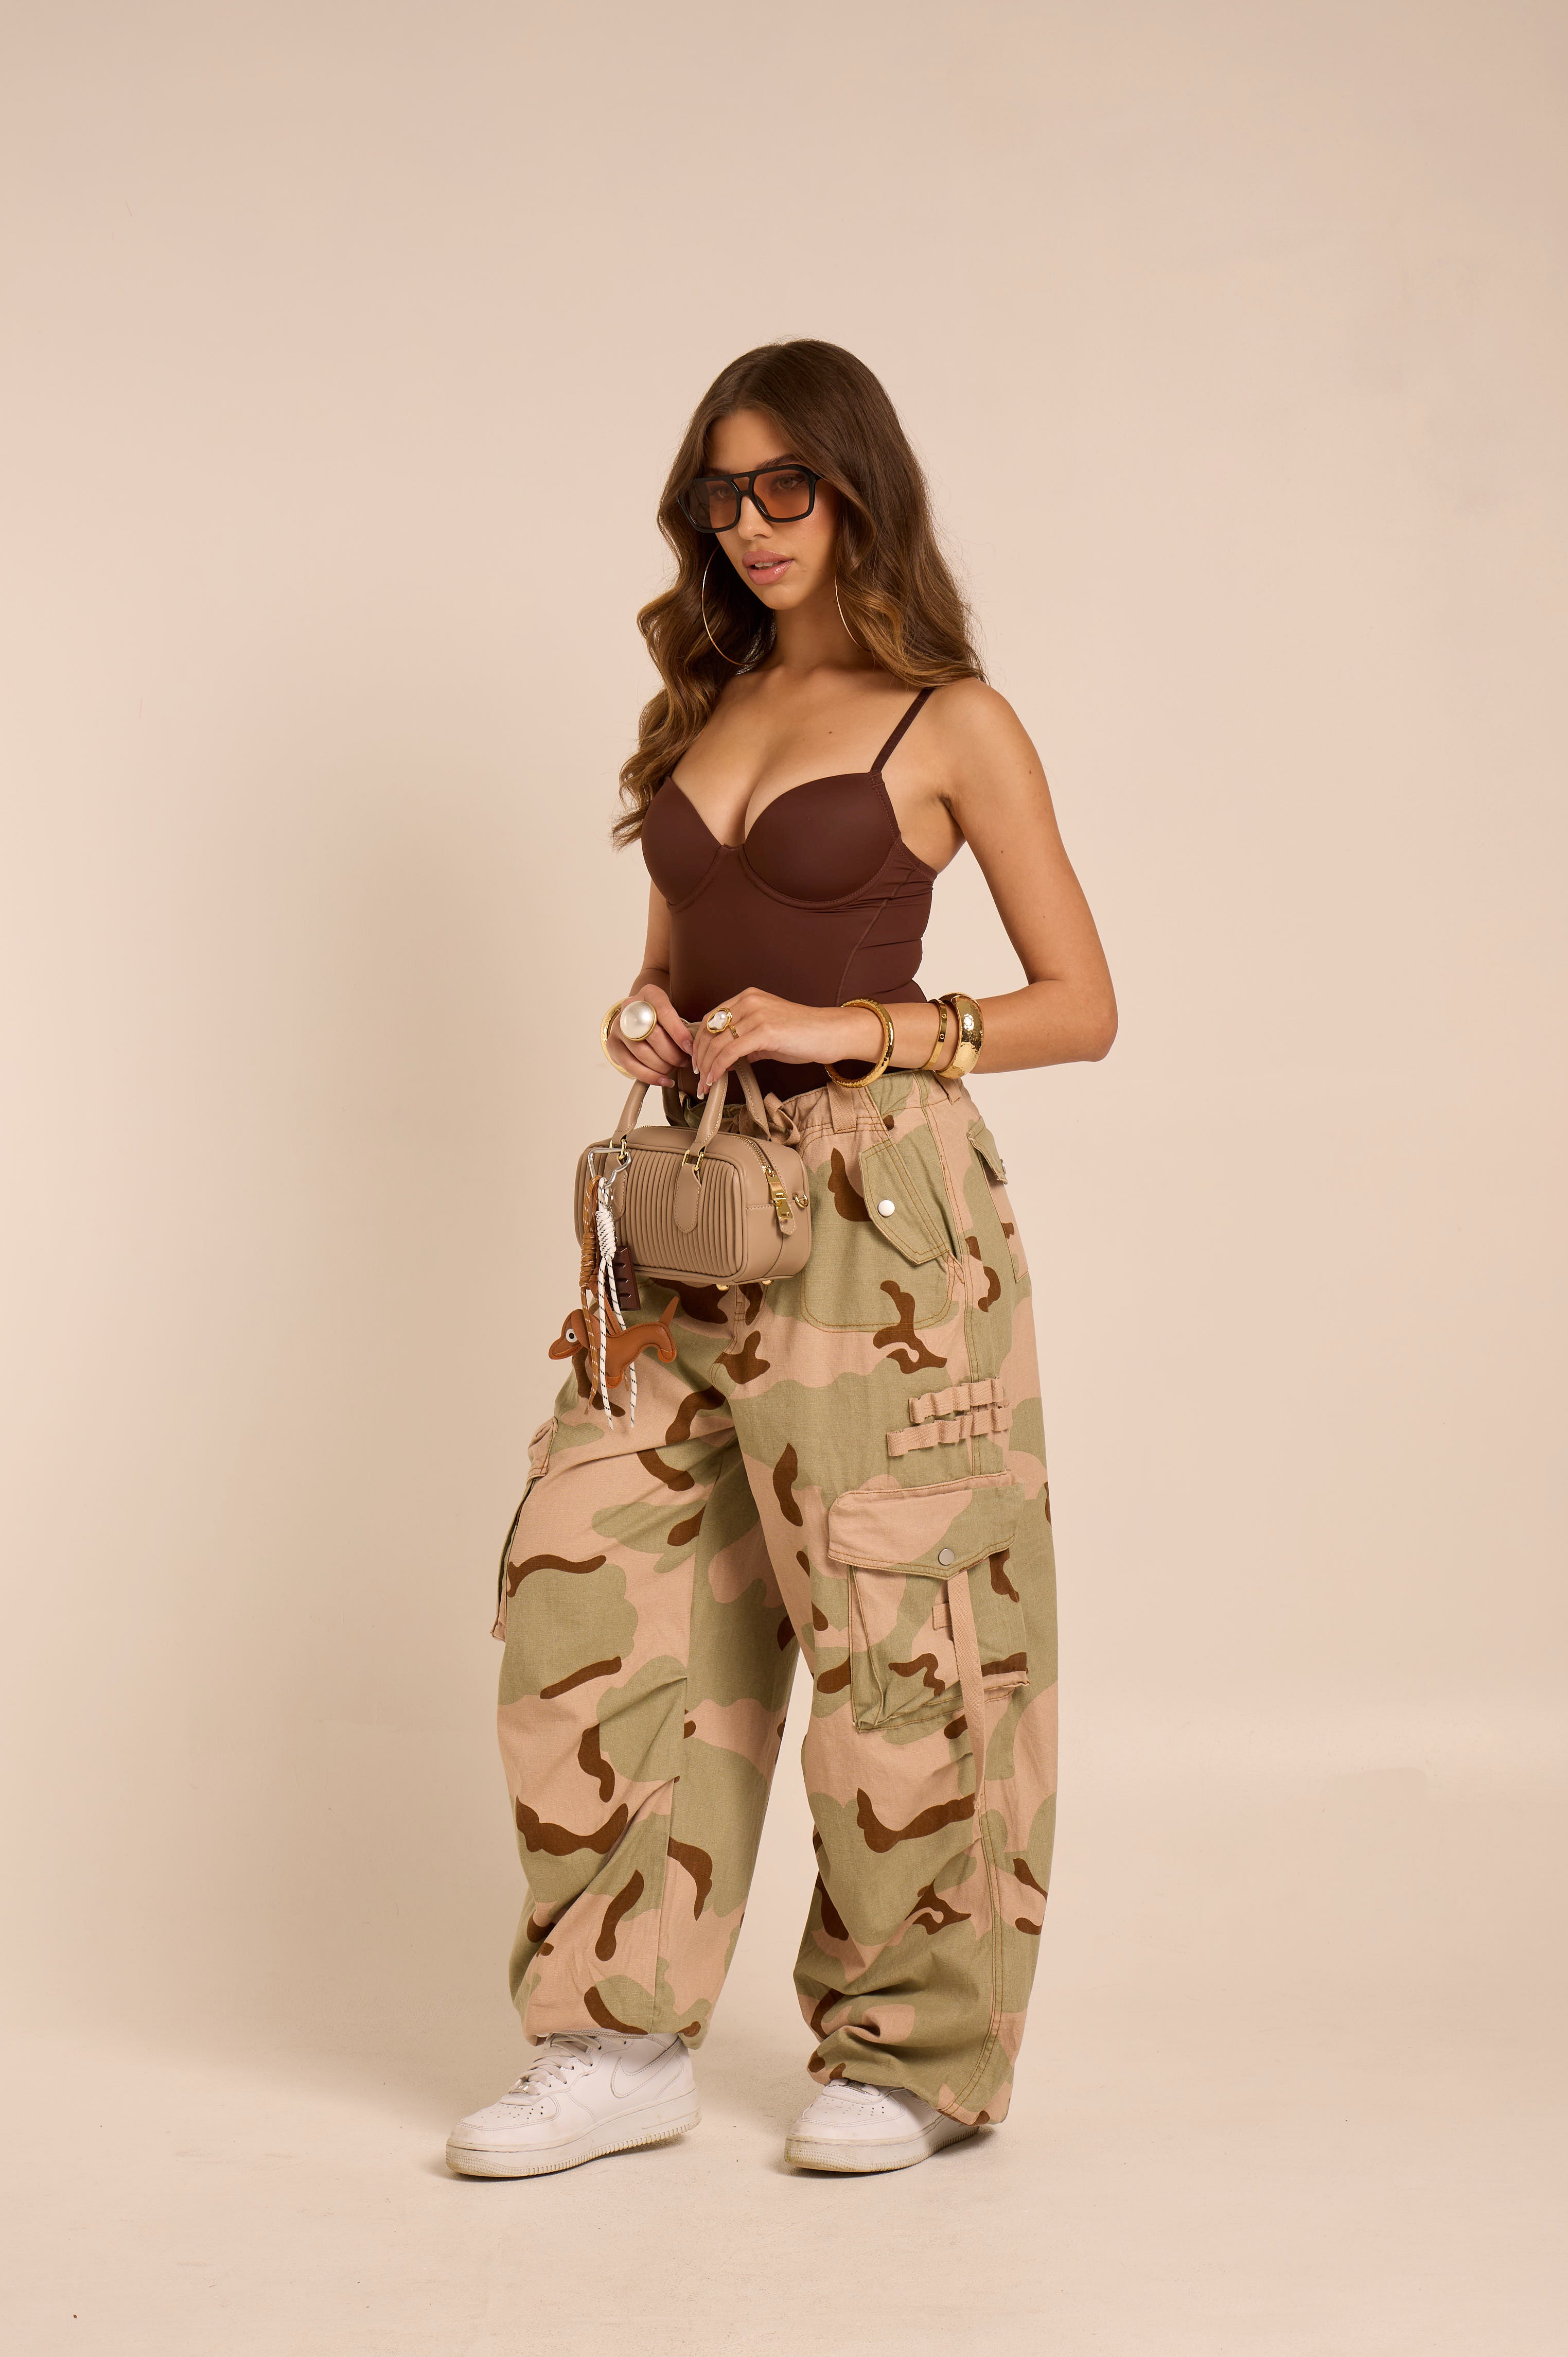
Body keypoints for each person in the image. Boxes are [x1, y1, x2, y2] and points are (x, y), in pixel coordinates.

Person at [447, 340, 1116, 2179]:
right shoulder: (704, 705)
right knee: (592, 1592)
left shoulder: (952, 720)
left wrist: (863, 1029)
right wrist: (643, 1017)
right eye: (721, 494)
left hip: (883, 1214)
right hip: (693, 1205)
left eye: (785, 486)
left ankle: (918, 2055)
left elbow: (1083, 1004)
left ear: (855, 484)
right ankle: (613, 2040)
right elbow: (669, 959)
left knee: (905, 1620)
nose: (750, 524)